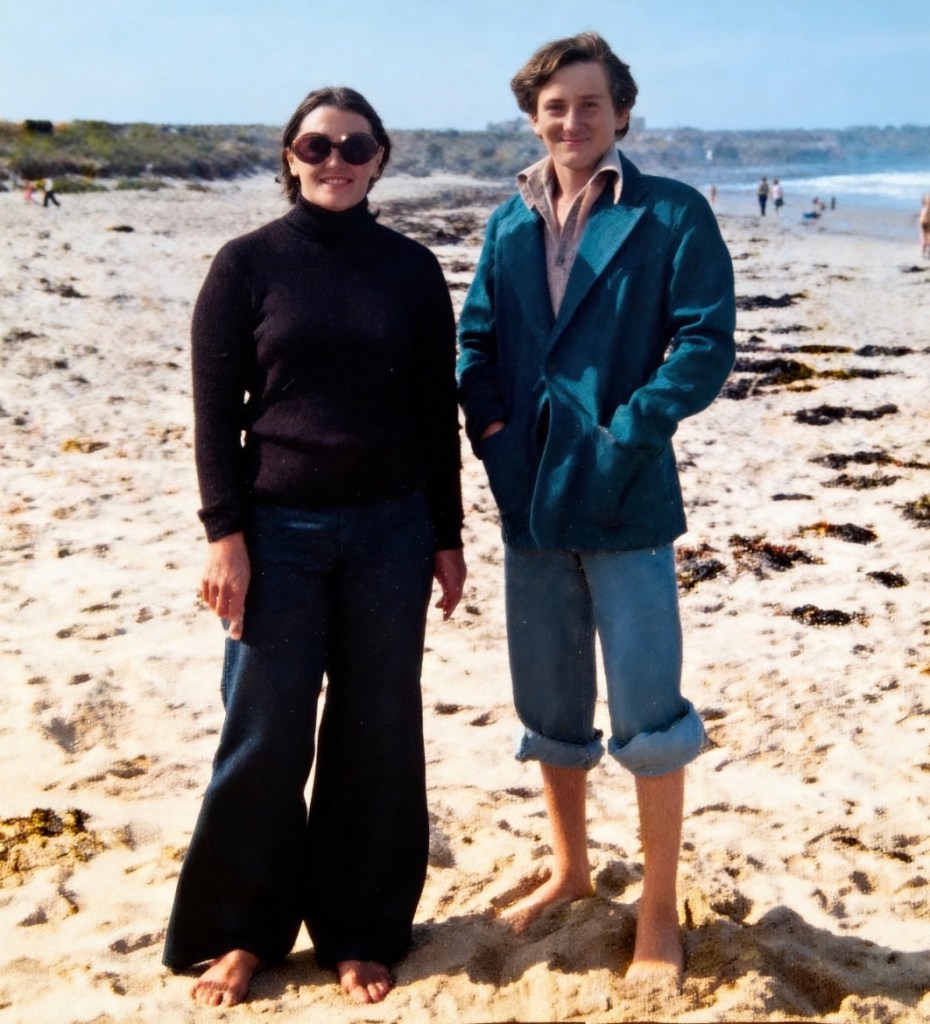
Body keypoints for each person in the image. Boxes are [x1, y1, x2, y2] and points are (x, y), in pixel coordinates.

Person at [162, 85, 466, 1009]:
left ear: (381, 157)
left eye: (356, 145)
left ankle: (360, 929)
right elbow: (217, 417)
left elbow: (432, 414)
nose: (336, 160)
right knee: (264, 730)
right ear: (290, 157)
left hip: (391, 528)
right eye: (317, 145)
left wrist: (447, 538)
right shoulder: (246, 266)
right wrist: (227, 537)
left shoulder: (412, 270)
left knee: (378, 732)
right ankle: (239, 933)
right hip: (277, 531)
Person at [457, 32, 735, 985]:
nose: (570, 122)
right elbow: (476, 345)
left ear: (621, 111)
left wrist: (629, 430)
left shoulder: (671, 213)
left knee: (650, 708)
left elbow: (704, 342)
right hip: (529, 494)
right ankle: (573, 868)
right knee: (550, 699)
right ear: (533, 121)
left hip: (626, 494)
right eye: (552, 109)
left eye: (587, 104)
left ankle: (658, 907)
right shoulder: (507, 221)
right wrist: (493, 439)